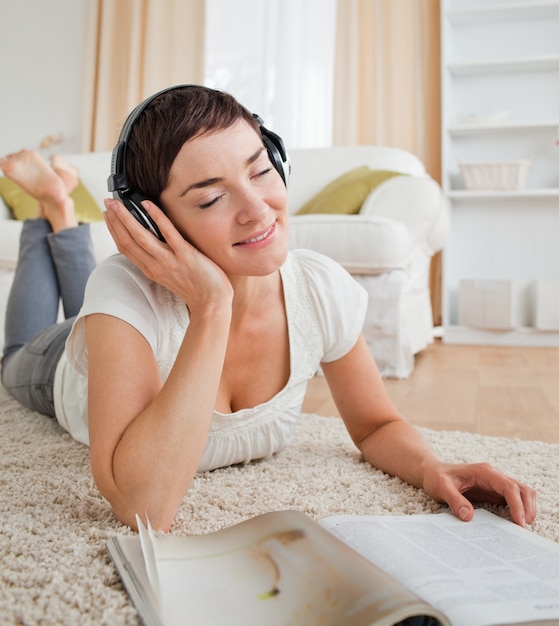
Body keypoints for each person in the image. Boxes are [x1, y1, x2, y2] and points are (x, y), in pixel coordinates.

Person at [1, 85, 536, 532]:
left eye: (260, 171)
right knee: (14, 356)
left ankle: (57, 206)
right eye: (211, 199)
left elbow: (375, 426)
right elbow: (146, 507)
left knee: (100, 295)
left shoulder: (318, 289)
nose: (258, 210)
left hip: (123, 322)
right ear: (152, 223)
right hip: (59, 367)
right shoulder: (123, 289)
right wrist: (212, 305)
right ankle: (53, 207)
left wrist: (430, 466)